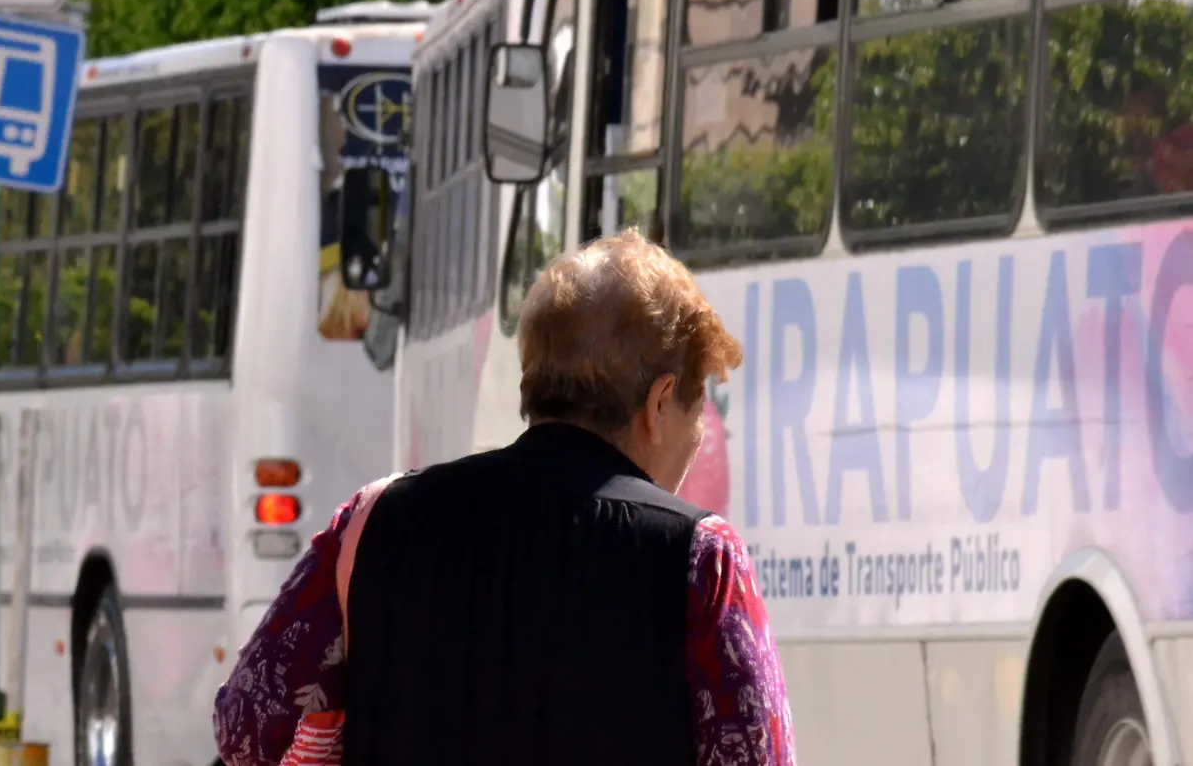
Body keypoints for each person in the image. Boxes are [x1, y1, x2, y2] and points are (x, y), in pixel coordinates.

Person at [213, 229, 797, 765]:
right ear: (661, 402)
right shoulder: (700, 560)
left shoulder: (372, 523)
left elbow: (247, 728)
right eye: (699, 409)